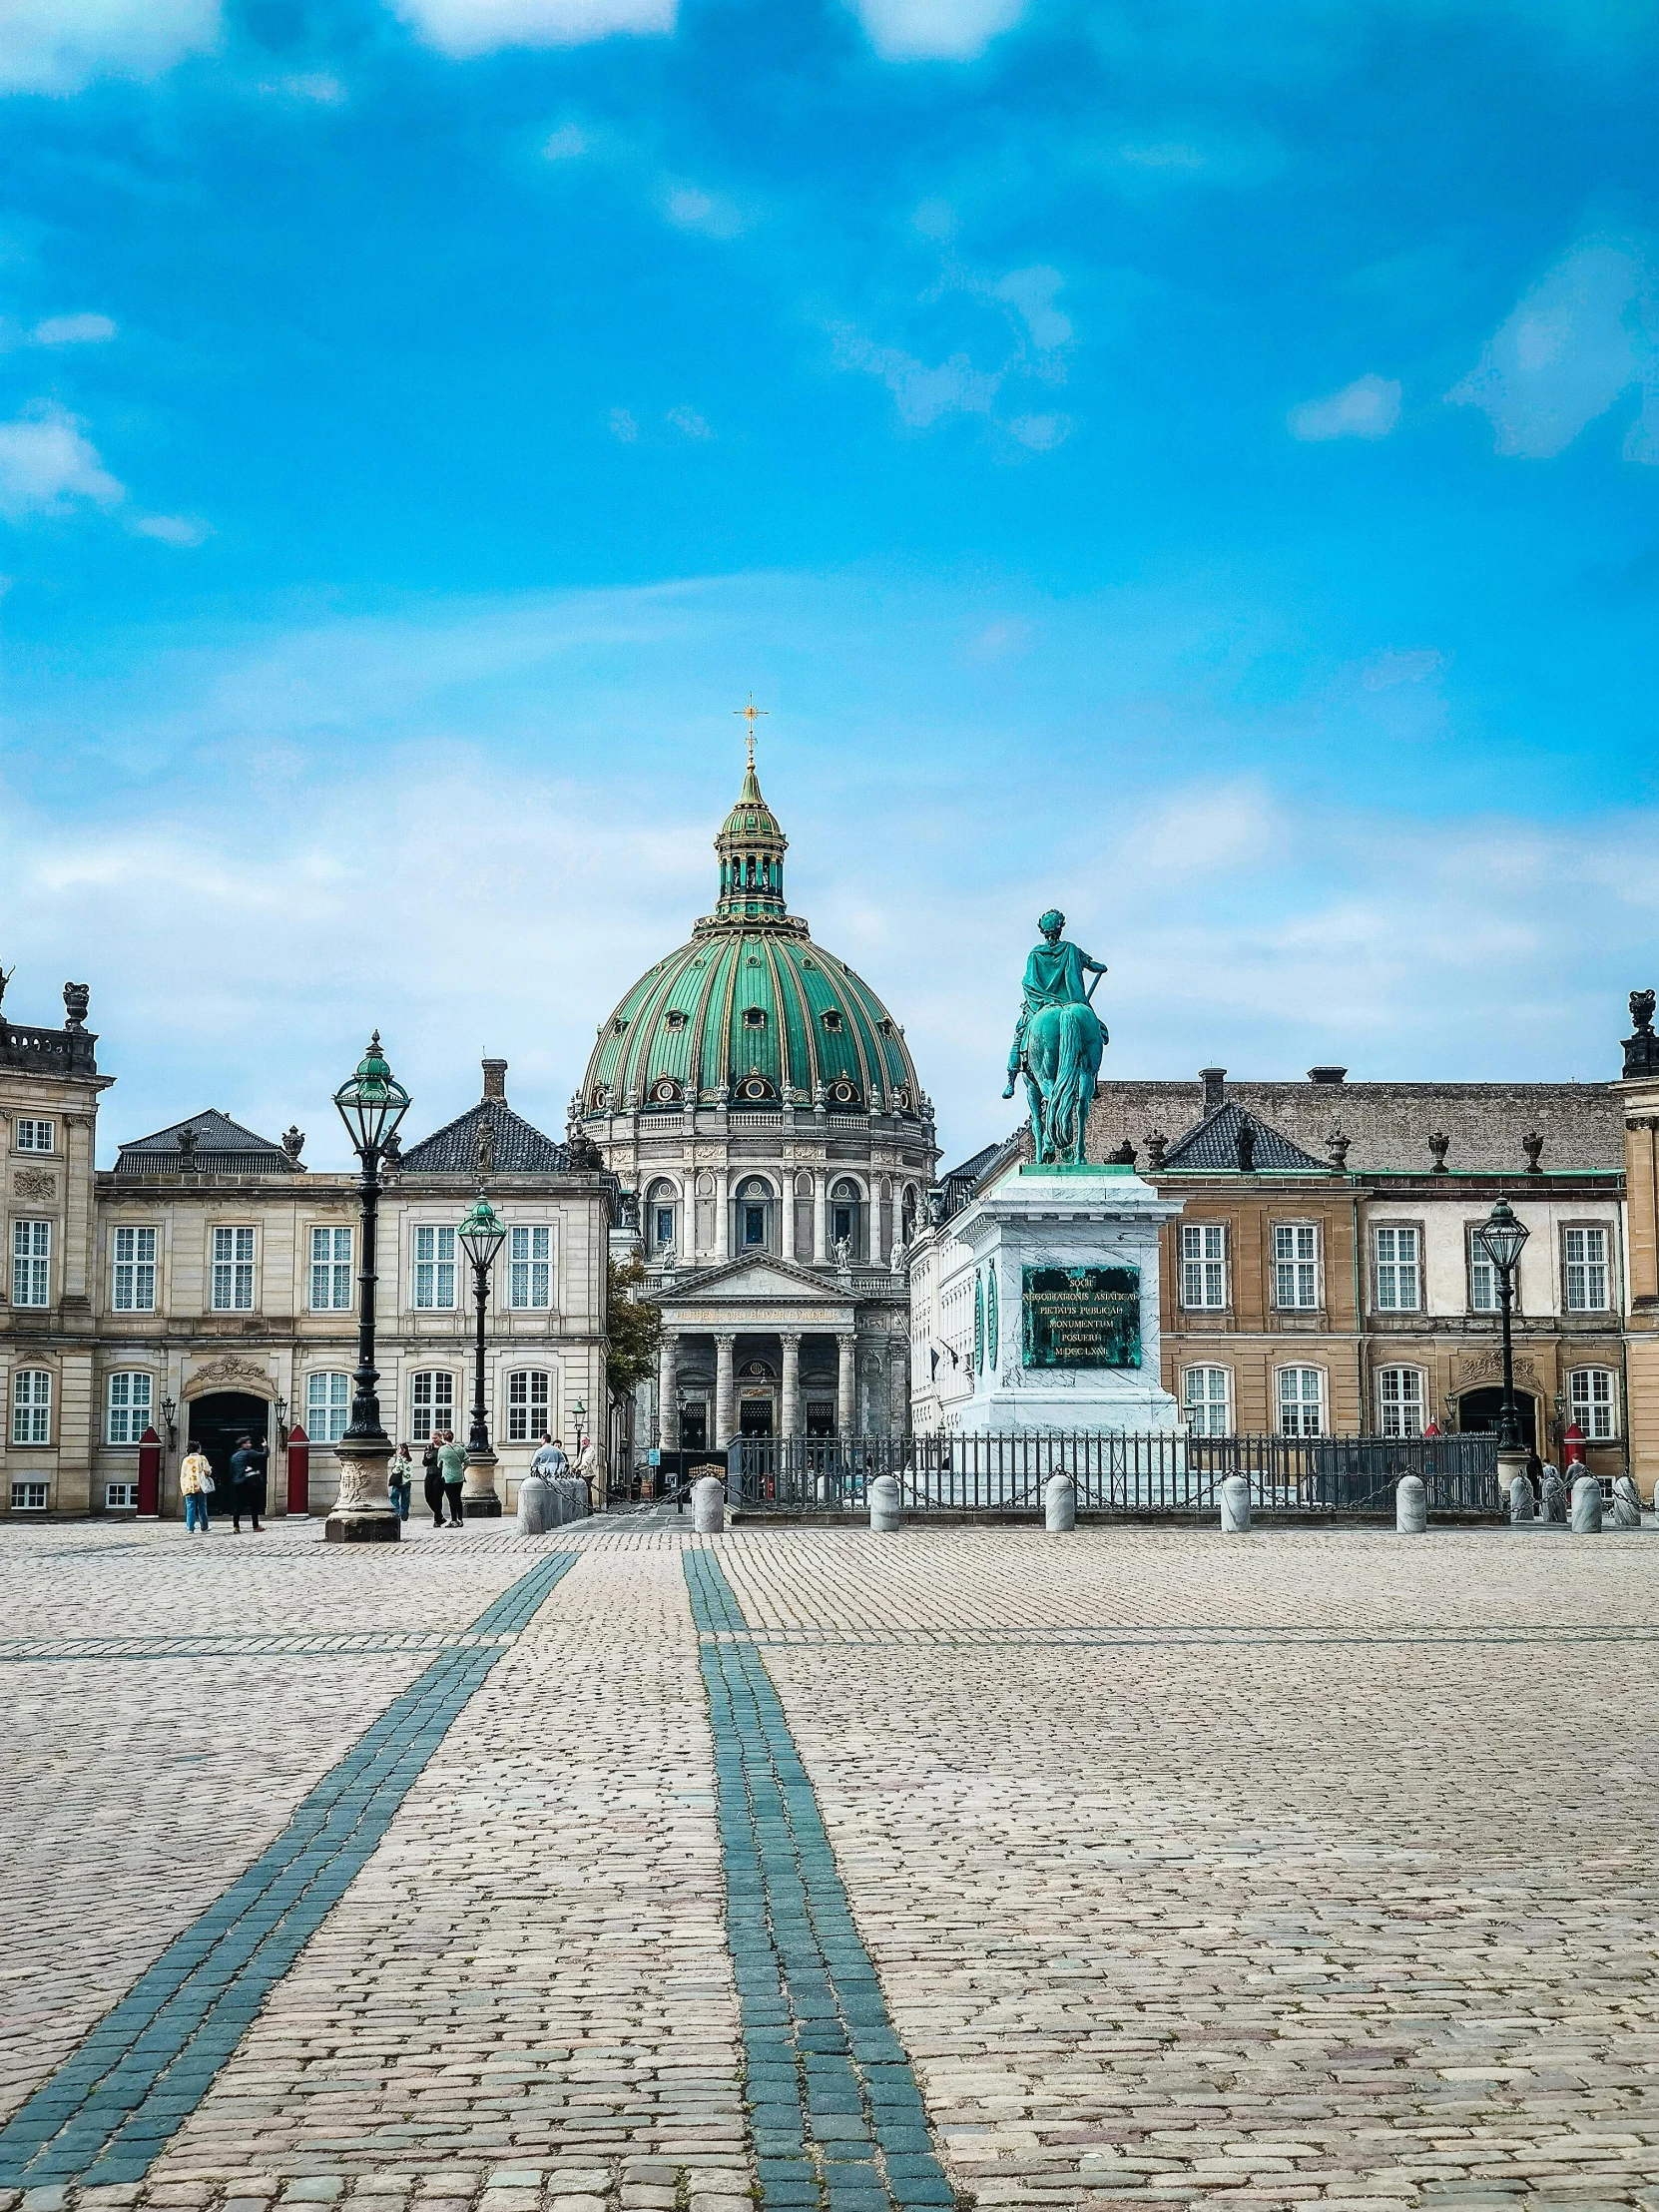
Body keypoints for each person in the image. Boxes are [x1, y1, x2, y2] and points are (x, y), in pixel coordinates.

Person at [1003, 909, 1107, 1099]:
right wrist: (1100, 968)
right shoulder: (1070, 949)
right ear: (1060, 929)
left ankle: (1011, 1081)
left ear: (1043, 932)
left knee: (1019, 1036)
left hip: (1041, 1005)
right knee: (1097, 1033)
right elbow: (1094, 965)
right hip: (1072, 1001)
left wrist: (1043, 999)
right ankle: (1093, 1081)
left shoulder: (1035, 954)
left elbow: (1028, 982)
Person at [229, 1434, 267, 1532]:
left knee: (239, 1505)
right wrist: (265, 1446)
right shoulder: (249, 1453)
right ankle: (255, 1526)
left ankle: (236, 1527)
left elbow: (232, 1471)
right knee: (254, 1504)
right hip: (249, 1482)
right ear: (243, 1444)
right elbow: (264, 1455)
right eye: (248, 1443)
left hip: (237, 1483)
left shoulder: (234, 1456)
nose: (250, 1445)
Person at [180, 1444, 214, 1534]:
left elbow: (182, 1474)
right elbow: (207, 1471)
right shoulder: (202, 1458)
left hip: (188, 1486)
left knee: (190, 1507)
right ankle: (204, 1526)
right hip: (200, 1486)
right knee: (202, 1507)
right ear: (198, 1449)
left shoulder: (185, 1460)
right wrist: (209, 1470)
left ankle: (190, 1528)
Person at [437, 1427, 467, 1527]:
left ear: (443, 1438)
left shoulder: (442, 1449)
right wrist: (462, 1469)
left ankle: (454, 1520)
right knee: (458, 1498)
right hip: (459, 1476)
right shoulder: (459, 1448)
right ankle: (460, 1519)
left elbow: (439, 1464)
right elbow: (467, 1461)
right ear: (452, 1438)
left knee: (451, 1499)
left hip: (448, 1477)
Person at [422, 1435, 446, 1526]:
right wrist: (427, 1459)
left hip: (439, 1474)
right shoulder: (429, 1448)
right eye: (432, 1438)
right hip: (429, 1473)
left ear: (440, 1438)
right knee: (428, 1497)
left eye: (435, 1438)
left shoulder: (444, 1448)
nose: (434, 1440)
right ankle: (440, 1516)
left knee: (437, 1497)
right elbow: (424, 1463)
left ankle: (437, 1520)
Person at [387, 1441, 413, 1522]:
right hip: (407, 1482)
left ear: (403, 1450)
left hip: (399, 1482)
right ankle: (404, 1516)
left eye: (399, 1449)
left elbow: (397, 1469)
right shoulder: (409, 1459)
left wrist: (393, 1470)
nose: (398, 1450)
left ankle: (397, 1513)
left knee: (394, 1498)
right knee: (405, 1500)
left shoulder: (400, 1459)